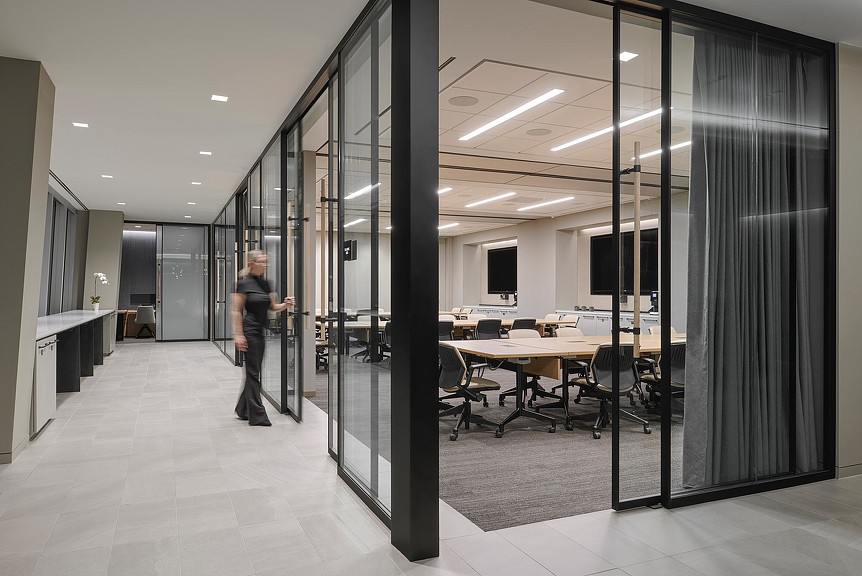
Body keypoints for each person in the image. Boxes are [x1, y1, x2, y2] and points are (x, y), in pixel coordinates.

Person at [233, 250, 294, 426]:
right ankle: (257, 415)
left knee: (254, 370)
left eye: (266, 262)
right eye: (262, 262)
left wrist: (285, 304)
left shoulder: (266, 284)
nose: (265, 265)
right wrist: (238, 335)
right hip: (248, 331)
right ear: (252, 263)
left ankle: (242, 409)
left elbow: (273, 307)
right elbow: (236, 311)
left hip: (260, 331)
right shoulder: (243, 284)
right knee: (253, 372)